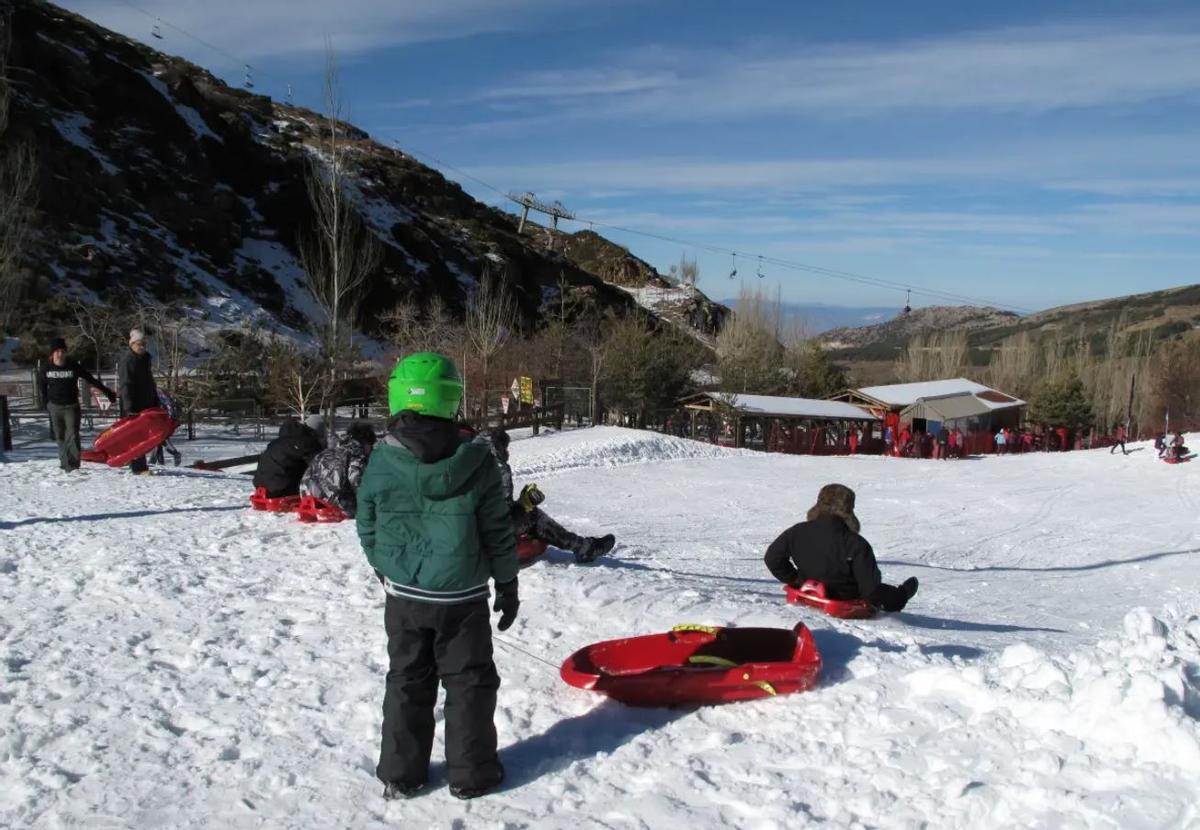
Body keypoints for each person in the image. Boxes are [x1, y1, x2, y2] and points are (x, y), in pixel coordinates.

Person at [357, 352, 517, 801]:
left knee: (408, 678)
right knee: (469, 681)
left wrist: (384, 565)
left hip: (405, 594)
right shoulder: (477, 461)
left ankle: (400, 774)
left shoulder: (382, 459)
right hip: (462, 598)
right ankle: (472, 773)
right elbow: (497, 531)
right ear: (452, 398)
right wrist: (507, 583)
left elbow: (366, 521)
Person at [764, 483, 918, 612]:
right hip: (844, 599)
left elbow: (773, 558)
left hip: (807, 590)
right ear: (848, 511)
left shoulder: (797, 531)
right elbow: (871, 591)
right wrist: (898, 597)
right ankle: (902, 594)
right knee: (881, 591)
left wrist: (797, 580)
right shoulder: (855, 543)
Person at [474, 427, 616, 563]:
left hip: (467, 531)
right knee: (534, 515)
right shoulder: (496, 467)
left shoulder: (468, 463)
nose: (507, 453)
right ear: (496, 447)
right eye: (505, 448)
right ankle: (585, 549)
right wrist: (525, 504)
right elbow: (500, 515)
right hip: (487, 536)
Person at [37, 336, 117, 472]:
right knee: (60, 436)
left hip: (71, 406)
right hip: (55, 407)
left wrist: (107, 392)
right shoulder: (46, 368)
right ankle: (64, 462)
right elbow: (41, 386)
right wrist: (46, 403)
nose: (60, 354)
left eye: (62, 351)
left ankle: (73, 465)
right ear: (52, 353)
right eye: (57, 351)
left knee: (72, 435)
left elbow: (90, 379)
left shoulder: (73, 366)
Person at [300, 421, 377, 517]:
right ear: (366, 442)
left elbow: (309, 472)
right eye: (371, 445)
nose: (371, 449)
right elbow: (356, 480)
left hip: (309, 496)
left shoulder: (330, 451)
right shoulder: (357, 453)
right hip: (335, 500)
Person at [252, 414, 326, 497]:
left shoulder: (280, 440)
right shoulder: (307, 442)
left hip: (260, 484)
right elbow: (319, 465)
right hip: (281, 488)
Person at [118, 329, 159, 475]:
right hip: (133, 405)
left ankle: (139, 463)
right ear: (132, 344)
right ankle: (139, 467)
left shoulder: (145, 360)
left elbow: (150, 382)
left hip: (146, 403)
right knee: (136, 437)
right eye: (138, 344)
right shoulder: (128, 361)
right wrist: (129, 407)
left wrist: (155, 401)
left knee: (145, 436)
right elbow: (126, 385)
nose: (141, 346)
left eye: (143, 344)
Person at [150, 389, 183, 467]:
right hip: (161, 419)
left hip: (163, 420)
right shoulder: (156, 393)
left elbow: (169, 406)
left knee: (159, 439)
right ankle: (158, 462)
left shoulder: (157, 394)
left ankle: (154, 461)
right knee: (159, 440)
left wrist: (171, 417)